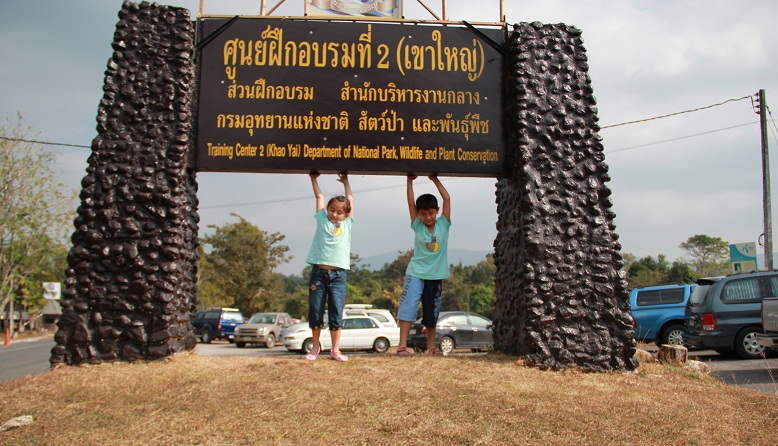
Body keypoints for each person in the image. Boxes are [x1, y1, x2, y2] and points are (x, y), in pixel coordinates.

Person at [396, 174, 451, 356]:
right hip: (416, 273)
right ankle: (402, 346)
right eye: (423, 214)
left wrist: (434, 179)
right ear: (418, 214)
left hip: (435, 275)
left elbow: (447, 198)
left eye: (431, 213)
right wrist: (409, 181)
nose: (428, 217)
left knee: (431, 310)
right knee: (409, 306)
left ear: (437, 211)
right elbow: (410, 203)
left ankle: (432, 347)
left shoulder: (444, 224)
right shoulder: (418, 225)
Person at [304, 172, 354, 362]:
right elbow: (319, 196)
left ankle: (335, 350)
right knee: (316, 310)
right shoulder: (322, 219)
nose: (334, 214)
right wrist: (314, 179)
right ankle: (315, 347)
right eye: (332, 210)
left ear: (346, 214)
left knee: (336, 311)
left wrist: (346, 183)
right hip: (318, 273)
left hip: (338, 275)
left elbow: (350, 200)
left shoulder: (347, 224)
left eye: (339, 212)